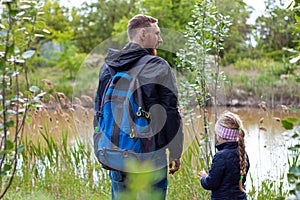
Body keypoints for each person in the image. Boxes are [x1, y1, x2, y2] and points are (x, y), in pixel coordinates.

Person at [94, 14, 183, 199]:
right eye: (157, 34)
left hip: (116, 152)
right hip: (150, 154)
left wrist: (101, 142)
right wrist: (175, 151)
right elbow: (170, 112)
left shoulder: (109, 66)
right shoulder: (157, 65)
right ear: (143, 33)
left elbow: (98, 112)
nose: (161, 39)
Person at [198, 111, 250, 200]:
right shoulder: (243, 154)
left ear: (220, 135)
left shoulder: (220, 156)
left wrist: (203, 178)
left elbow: (211, 183)